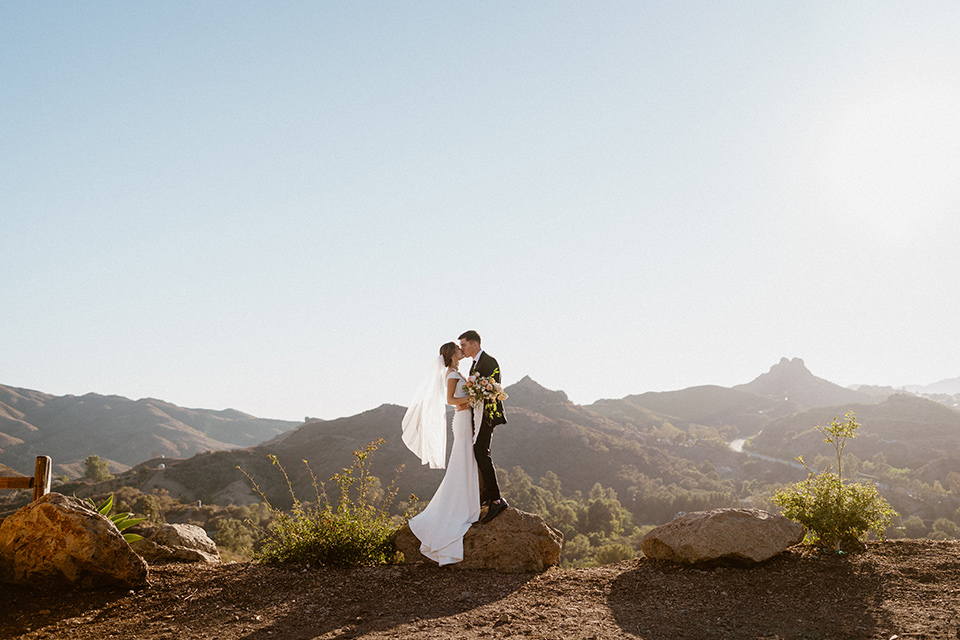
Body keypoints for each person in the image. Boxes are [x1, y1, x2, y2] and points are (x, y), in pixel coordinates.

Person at [401, 342, 480, 565]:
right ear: (452, 353)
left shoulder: (457, 372)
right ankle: (457, 505)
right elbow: (450, 400)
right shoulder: (451, 374)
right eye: (458, 348)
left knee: (465, 461)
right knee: (462, 460)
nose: (461, 350)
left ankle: (466, 500)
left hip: (467, 419)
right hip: (462, 419)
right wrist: (473, 399)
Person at [458, 330, 509, 524]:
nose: (462, 349)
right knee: (478, 452)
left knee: (481, 452)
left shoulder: (489, 361)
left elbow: (494, 389)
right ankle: (487, 496)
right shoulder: (474, 364)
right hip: (478, 416)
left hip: (487, 416)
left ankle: (497, 499)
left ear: (475, 344)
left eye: (463, 345)